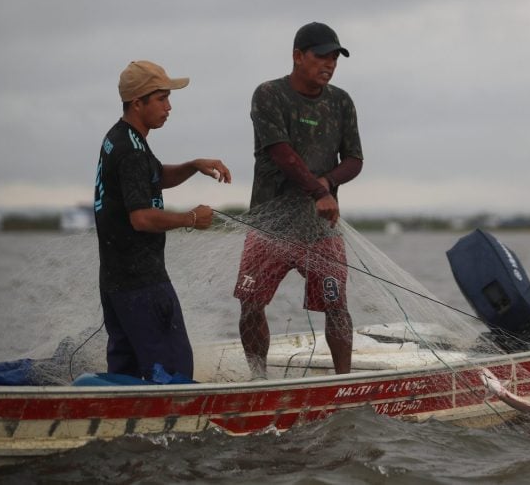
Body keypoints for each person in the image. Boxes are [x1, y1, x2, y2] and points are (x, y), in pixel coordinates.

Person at [234, 22, 364, 377]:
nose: (330, 63)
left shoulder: (341, 102)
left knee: (338, 305)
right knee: (251, 303)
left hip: (321, 228)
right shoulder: (268, 95)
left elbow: (354, 160)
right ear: (297, 56)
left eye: (335, 57)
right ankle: (258, 379)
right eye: (322, 55)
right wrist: (320, 191)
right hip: (269, 225)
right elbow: (281, 153)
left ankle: (342, 381)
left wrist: (329, 181)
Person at [94, 60, 232, 381]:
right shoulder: (130, 150)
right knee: (174, 372)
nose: (169, 107)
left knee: (125, 375)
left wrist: (194, 165)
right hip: (142, 283)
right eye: (161, 99)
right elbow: (141, 218)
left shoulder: (123, 139)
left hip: (116, 281)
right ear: (137, 103)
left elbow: (154, 177)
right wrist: (192, 218)